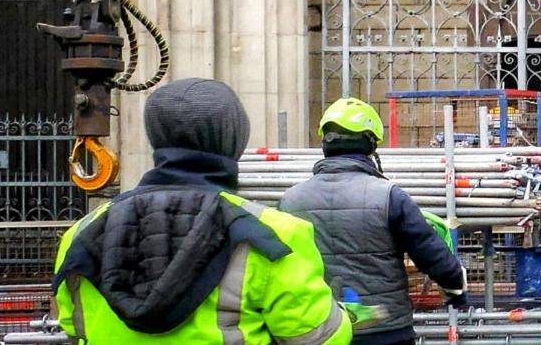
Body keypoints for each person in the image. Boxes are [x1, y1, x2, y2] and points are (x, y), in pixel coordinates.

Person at [53, 78, 350, 345]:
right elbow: (320, 338)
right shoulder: (274, 236)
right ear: (234, 139)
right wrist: (343, 314)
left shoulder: (80, 235)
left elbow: (74, 327)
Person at [280, 97, 468, 345]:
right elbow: (430, 252)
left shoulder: (290, 201)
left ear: (325, 142)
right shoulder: (389, 196)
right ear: (370, 145)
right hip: (384, 330)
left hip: (319, 330)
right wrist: (455, 287)